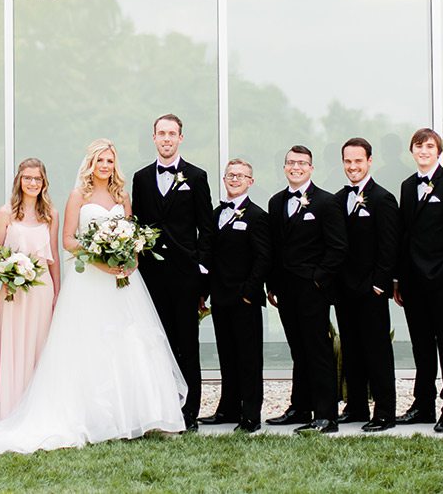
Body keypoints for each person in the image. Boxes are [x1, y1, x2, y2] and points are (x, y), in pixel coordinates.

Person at [0, 139, 186, 455]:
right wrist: (100, 256)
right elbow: (67, 241)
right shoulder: (78, 196)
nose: (104, 166)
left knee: (129, 341)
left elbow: (131, 235)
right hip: (90, 280)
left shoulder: (122, 196)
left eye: (109, 160)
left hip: (123, 281)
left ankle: (137, 415)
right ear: (90, 163)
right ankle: (96, 417)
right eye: (100, 160)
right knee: (90, 344)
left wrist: (128, 260)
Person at [131, 114, 212, 430]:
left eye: (172, 134)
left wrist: (202, 271)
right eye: (161, 133)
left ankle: (189, 411)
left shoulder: (197, 176)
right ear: (153, 137)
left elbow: (206, 228)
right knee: (156, 342)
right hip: (151, 275)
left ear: (180, 138)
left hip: (185, 274)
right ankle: (163, 408)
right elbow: (137, 223)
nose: (166, 138)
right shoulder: (140, 178)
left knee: (187, 343)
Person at [265, 145, 347, 434]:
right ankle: (300, 408)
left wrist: (318, 279)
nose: (296, 167)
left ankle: (326, 415)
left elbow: (338, 247)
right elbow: (274, 248)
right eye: (291, 163)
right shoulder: (276, 203)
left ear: (311, 168)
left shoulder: (326, 202)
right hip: (285, 290)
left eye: (302, 163)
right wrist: (272, 284)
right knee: (297, 349)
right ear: (285, 167)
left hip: (313, 289)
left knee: (318, 349)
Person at [395, 128, 443, 433]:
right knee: (421, 346)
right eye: (418, 145)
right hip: (412, 281)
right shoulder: (407, 186)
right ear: (412, 151)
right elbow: (404, 235)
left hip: (442, 279)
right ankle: (422, 405)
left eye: (429, 146)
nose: (423, 150)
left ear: (438, 152)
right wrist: (399, 279)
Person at [199, 158, 270, 433]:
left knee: (249, 358)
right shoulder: (216, 214)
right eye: (230, 174)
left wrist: (249, 293)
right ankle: (228, 409)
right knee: (227, 356)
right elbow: (208, 256)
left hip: (244, 300)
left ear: (250, 181)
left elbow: (264, 259)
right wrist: (203, 292)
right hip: (220, 297)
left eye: (241, 175)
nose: (235, 179)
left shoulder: (257, 216)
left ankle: (251, 415)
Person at [333, 138, 398, 432]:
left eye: (358, 161)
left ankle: (384, 412)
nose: (353, 166)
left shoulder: (382, 199)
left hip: (371, 290)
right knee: (351, 349)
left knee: (377, 351)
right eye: (348, 161)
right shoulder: (337, 199)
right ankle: (356, 406)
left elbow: (389, 246)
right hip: (345, 290)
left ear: (369, 161)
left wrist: (379, 285)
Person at [0, 158, 60, 416]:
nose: (32, 183)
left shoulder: (51, 213)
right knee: (12, 342)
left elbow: (53, 254)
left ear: (44, 182)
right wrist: (1, 285)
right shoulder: (6, 212)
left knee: (38, 343)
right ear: (19, 181)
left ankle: (37, 406)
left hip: (41, 288)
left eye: (37, 178)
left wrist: (56, 291)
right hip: (13, 290)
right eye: (28, 178)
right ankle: (10, 406)